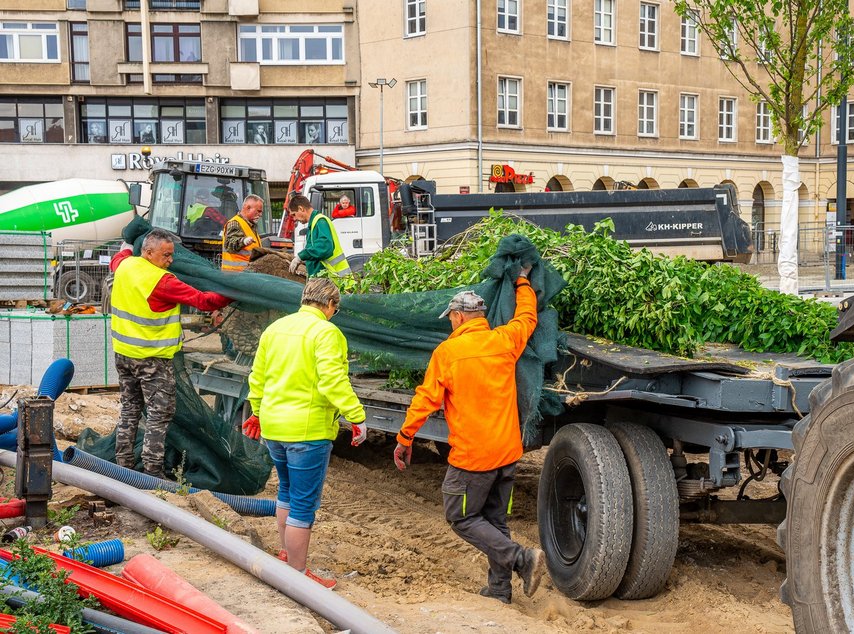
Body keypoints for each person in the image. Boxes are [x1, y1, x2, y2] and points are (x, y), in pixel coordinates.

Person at [392, 275, 546, 604]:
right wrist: (522, 282)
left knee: (460, 516)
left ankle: (522, 559)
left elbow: (425, 400)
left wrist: (405, 437)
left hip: (473, 457)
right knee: (494, 520)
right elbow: (527, 316)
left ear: (459, 316)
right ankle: (499, 590)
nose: (449, 323)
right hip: (507, 453)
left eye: (450, 318)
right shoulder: (505, 339)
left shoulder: (448, 353)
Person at [242, 277, 367, 589]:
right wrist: (356, 416)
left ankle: (286, 557)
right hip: (307, 430)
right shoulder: (326, 332)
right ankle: (297, 577)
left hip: (274, 425)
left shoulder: (275, 329)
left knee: (285, 492)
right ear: (330, 305)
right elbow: (332, 381)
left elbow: (257, 376)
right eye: (335, 310)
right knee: (303, 503)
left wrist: (257, 410)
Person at [110, 229, 232, 478]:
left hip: (123, 355)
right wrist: (235, 291)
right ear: (148, 252)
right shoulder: (162, 282)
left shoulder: (125, 265)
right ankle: (153, 471)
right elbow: (204, 301)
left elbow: (119, 255)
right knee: (159, 414)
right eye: (166, 255)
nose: (170, 261)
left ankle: (122, 465)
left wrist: (128, 241)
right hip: (152, 360)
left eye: (171, 255)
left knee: (130, 409)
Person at [286, 195, 351, 277]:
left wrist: (301, 256)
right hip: (329, 280)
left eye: (294, 215)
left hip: (334, 281)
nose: (294, 219)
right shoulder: (314, 224)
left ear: (301, 209)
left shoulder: (320, 221)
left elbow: (324, 247)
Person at [222, 194, 265, 271]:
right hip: (234, 274)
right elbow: (229, 245)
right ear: (248, 208)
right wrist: (243, 241)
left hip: (246, 274)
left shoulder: (251, 226)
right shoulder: (235, 223)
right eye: (258, 211)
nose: (260, 215)